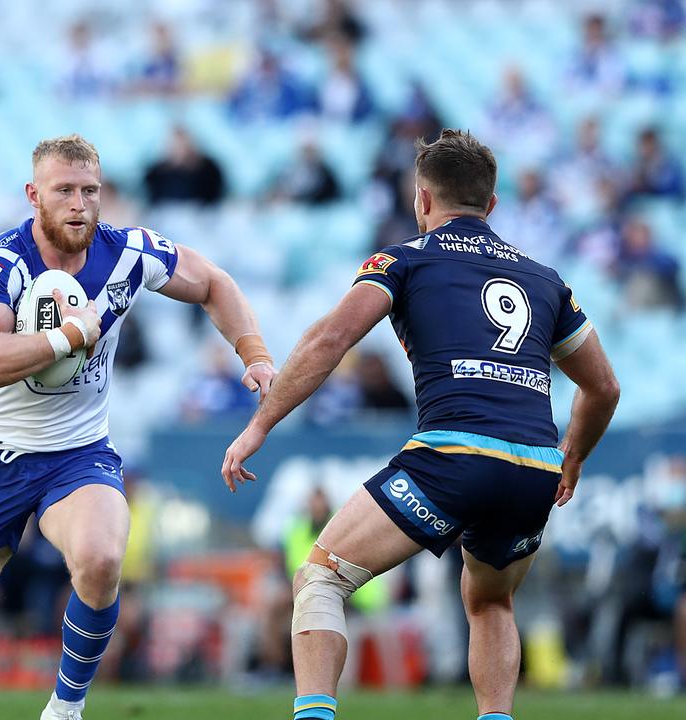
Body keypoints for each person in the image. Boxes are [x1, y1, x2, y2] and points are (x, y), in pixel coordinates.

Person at [222, 129, 621, 720]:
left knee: (320, 578)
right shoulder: (545, 278)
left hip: (453, 457)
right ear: (491, 206)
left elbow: (332, 339)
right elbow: (604, 387)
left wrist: (259, 426)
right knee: (489, 604)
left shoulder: (404, 259)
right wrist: (574, 456)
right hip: (535, 466)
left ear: (422, 200)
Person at [0, 134, 277, 720]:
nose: (79, 204)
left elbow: (213, 283)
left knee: (100, 560)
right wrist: (68, 337)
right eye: (64, 190)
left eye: (90, 191)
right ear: (33, 195)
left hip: (78, 454)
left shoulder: (128, 253)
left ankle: (65, 709)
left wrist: (253, 352)